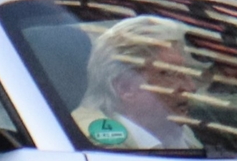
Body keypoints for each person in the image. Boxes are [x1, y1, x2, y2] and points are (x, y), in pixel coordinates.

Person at [73, 15, 200, 150]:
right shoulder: (93, 145)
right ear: (125, 88)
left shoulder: (174, 130)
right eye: (170, 74)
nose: (190, 87)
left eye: (186, 74)